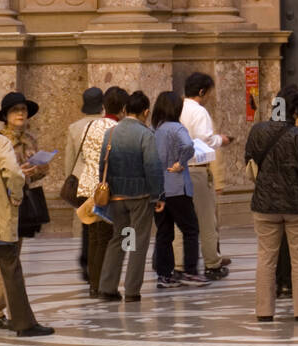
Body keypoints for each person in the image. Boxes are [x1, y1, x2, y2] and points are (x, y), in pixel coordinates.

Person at [246, 85, 298, 322]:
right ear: (297, 110)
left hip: (264, 204)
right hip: (297, 205)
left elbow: (249, 161)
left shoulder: (257, 131)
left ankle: (264, 311)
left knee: (266, 257)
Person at [97, 90, 164, 303]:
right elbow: (153, 167)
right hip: (140, 197)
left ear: (125, 110)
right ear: (146, 112)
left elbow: (102, 164)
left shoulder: (111, 133)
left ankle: (108, 286)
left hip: (116, 197)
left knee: (121, 238)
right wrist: (158, 195)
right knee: (138, 242)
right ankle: (132, 290)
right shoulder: (146, 134)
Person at [0, 90, 51, 339]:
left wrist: (37, 169)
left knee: (9, 261)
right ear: (6, 116)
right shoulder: (2, 140)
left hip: (18, 207)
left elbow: (39, 171)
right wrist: (18, 186)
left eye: (23, 110)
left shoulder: (29, 139)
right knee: (10, 263)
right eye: (15, 110)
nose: (20, 114)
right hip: (7, 208)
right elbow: (12, 173)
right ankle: (21, 321)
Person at [151, 91, 206, 290]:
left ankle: (164, 275)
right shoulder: (176, 128)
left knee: (164, 232)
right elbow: (189, 146)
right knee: (191, 230)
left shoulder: (154, 129)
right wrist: (181, 162)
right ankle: (190, 271)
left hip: (158, 189)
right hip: (177, 187)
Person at [75, 86, 126, 298]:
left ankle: (94, 285)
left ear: (104, 106)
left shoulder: (91, 125)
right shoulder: (117, 129)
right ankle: (102, 285)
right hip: (103, 190)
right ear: (123, 108)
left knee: (94, 239)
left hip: (86, 186)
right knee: (106, 239)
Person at [180, 72, 232, 279]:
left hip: (178, 172)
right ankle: (212, 263)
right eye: (209, 92)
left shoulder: (177, 108)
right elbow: (205, 141)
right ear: (202, 91)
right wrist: (221, 140)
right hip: (197, 170)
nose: (209, 96)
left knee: (181, 222)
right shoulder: (199, 112)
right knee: (207, 220)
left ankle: (179, 263)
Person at [65, 86, 104, 284]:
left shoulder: (74, 127)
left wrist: (69, 180)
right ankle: (98, 264)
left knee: (86, 224)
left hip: (81, 181)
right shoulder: (107, 125)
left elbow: (70, 159)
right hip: (100, 182)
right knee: (102, 225)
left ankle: (85, 260)